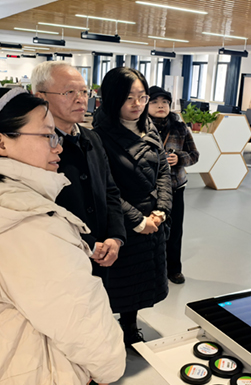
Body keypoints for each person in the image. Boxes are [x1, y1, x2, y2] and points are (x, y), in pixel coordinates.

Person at [0, 88, 126, 385]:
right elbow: (78, 317)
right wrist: (108, 367)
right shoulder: (29, 223)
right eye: (48, 136)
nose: (58, 146)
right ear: (0, 143)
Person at [92, 68, 172, 346]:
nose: (137, 104)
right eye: (129, 98)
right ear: (113, 98)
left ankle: (129, 324)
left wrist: (162, 210)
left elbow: (163, 171)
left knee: (141, 280)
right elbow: (106, 188)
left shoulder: (149, 127)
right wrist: (138, 221)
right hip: (122, 221)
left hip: (153, 217)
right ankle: (104, 329)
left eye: (142, 97)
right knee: (118, 280)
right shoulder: (99, 137)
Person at [32, 61, 125, 281]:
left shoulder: (92, 138)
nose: (80, 99)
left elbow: (109, 191)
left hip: (101, 253)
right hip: (56, 257)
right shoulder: (32, 145)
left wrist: (115, 237)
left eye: (84, 92)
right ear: (40, 98)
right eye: (69, 92)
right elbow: (38, 207)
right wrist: (88, 243)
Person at [148, 86, 199, 285]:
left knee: (175, 230)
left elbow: (194, 155)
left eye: (165, 102)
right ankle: (152, 270)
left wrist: (179, 158)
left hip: (175, 187)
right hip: (149, 189)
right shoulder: (140, 128)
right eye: (155, 102)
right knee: (150, 229)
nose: (160, 106)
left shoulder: (180, 128)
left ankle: (174, 269)